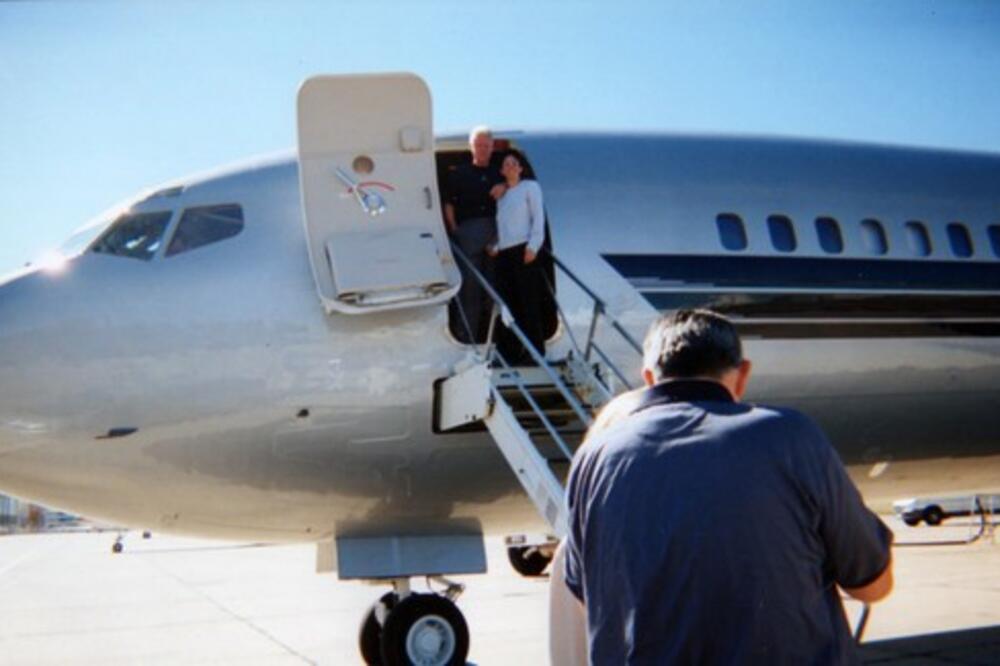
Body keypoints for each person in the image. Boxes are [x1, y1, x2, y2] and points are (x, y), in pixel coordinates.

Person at [552, 309, 894, 665]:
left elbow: (587, 596)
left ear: (649, 378)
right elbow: (872, 584)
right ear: (742, 374)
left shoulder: (593, 455)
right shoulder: (791, 436)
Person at [444, 126, 506, 343]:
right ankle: (467, 337)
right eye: (478, 145)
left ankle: (495, 339)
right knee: (469, 289)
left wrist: (505, 185)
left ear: (492, 148)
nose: (482, 149)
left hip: (496, 234)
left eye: (486, 146)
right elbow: (449, 203)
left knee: (494, 288)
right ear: (471, 147)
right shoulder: (459, 173)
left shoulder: (499, 173)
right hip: (468, 233)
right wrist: (454, 229)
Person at [487, 152, 547, 364]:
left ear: (520, 169)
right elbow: (504, 227)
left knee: (528, 302)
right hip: (505, 253)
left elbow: (537, 217)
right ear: (502, 171)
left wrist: (533, 246)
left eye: (514, 164)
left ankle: (535, 352)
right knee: (509, 305)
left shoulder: (530, 187)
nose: (511, 166)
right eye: (507, 164)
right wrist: (496, 246)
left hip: (524, 250)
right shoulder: (502, 196)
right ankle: (511, 352)